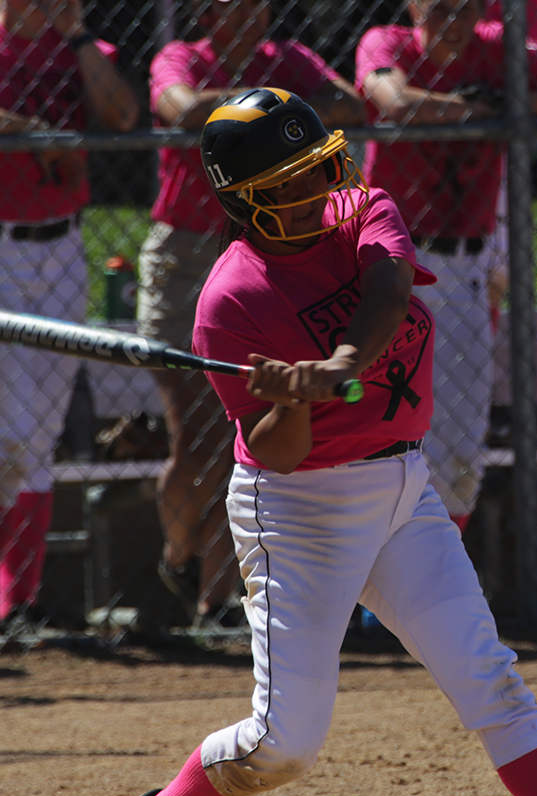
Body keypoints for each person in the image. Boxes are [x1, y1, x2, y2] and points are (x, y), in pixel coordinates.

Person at [87, 88, 537, 796]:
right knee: (284, 748)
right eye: (289, 183)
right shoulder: (229, 303)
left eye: (317, 169)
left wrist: (336, 363)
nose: (315, 191)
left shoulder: (363, 205)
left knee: (489, 679)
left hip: (401, 490)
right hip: (296, 515)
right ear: (244, 201)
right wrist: (289, 398)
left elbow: (389, 290)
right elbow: (281, 453)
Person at [143, 0, 366, 628]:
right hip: (187, 256)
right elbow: (183, 108)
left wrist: (279, 98)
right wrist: (273, 106)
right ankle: (178, 553)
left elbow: (346, 104)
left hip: (269, 254)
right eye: (232, 7)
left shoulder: (286, 59)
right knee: (195, 433)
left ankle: (218, 596)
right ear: (207, 13)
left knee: (232, 432)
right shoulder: (180, 57)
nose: (249, 16)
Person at [0, 0, 138, 644]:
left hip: (60, 251)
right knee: (2, 438)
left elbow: (123, 115)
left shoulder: (72, 46)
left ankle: (20, 607)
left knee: (38, 441)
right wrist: (34, 131)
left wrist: (76, 36)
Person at [358, 0, 537, 534]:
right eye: (440, 7)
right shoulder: (388, 42)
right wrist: (490, 111)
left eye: (466, 6)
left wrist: (504, 100)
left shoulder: (498, 46)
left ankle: (432, 588)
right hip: (390, 262)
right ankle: (369, 600)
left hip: (466, 267)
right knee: (381, 438)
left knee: (462, 452)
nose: (454, 18)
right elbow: (395, 101)